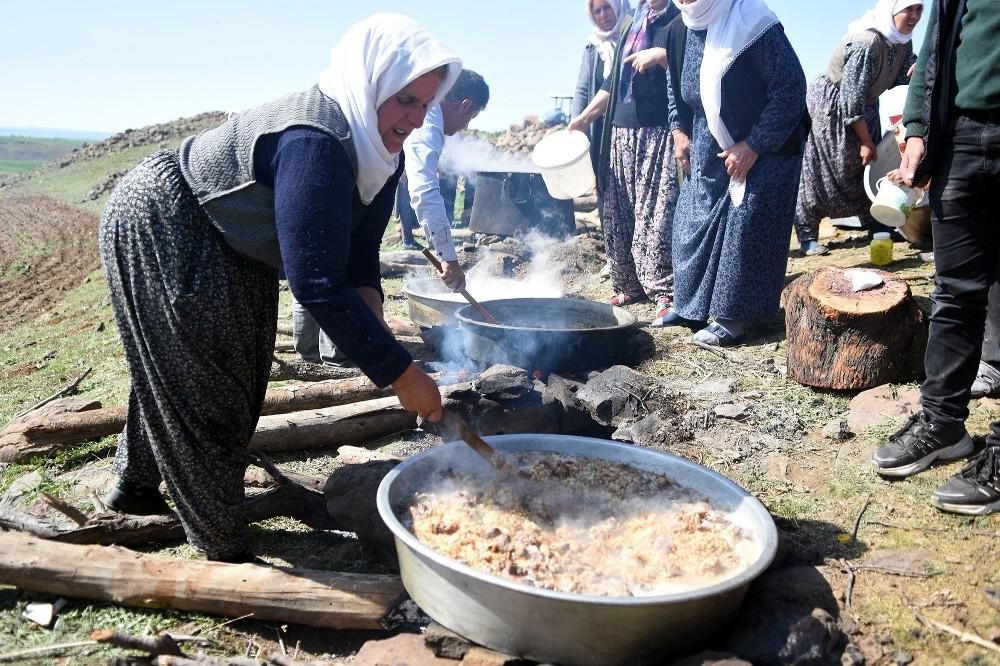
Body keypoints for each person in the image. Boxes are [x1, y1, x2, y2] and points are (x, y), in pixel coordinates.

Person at [97, 14, 455, 561]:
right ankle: (223, 544)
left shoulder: (383, 154)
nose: (416, 117)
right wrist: (400, 372)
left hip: (234, 241)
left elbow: (359, 258)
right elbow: (316, 282)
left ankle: (135, 485)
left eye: (426, 104)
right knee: (207, 384)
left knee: (218, 372)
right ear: (372, 84)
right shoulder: (317, 140)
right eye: (406, 99)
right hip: (170, 218)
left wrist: (375, 328)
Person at [873, 0, 1000, 516]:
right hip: (965, 137)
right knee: (955, 291)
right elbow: (934, 48)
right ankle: (943, 421)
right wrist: (920, 128)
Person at [657, 0, 808, 346]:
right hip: (710, 139)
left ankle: (734, 317)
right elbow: (674, 91)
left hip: (769, 141)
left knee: (746, 221)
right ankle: (689, 306)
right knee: (690, 219)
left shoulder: (752, 21)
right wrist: (679, 130)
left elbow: (790, 89)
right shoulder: (677, 29)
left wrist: (752, 145)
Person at [569, 0, 679, 320]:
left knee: (656, 213)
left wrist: (662, 57)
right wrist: (583, 119)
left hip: (657, 130)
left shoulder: (677, 19)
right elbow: (611, 82)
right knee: (619, 209)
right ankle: (628, 284)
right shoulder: (634, 23)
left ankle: (664, 290)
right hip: (620, 131)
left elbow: (695, 62)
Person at [793, 0, 923, 257]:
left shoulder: (901, 42)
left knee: (868, 165)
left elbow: (905, 72)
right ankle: (808, 236)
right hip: (833, 107)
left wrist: (922, 69)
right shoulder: (866, 44)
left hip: (866, 106)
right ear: (892, 10)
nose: (915, 16)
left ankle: (877, 223)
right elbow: (850, 100)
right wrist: (865, 140)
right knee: (826, 170)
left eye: (920, 9)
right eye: (909, 8)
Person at [403, 69, 491, 291]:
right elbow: (424, 191)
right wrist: (449, 259)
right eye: (471, 117)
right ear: (464, 106)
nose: (467, 126)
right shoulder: (428, 119)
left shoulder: (428, 112)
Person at [572, 0, 631, 181]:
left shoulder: (635, 34)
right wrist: (577, 127)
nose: (603, 15)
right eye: (597, 11)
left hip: (630, 126)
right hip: (602, 129)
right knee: (604, 184)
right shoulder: (593, 47)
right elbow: (582, 90)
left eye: (607, 8)